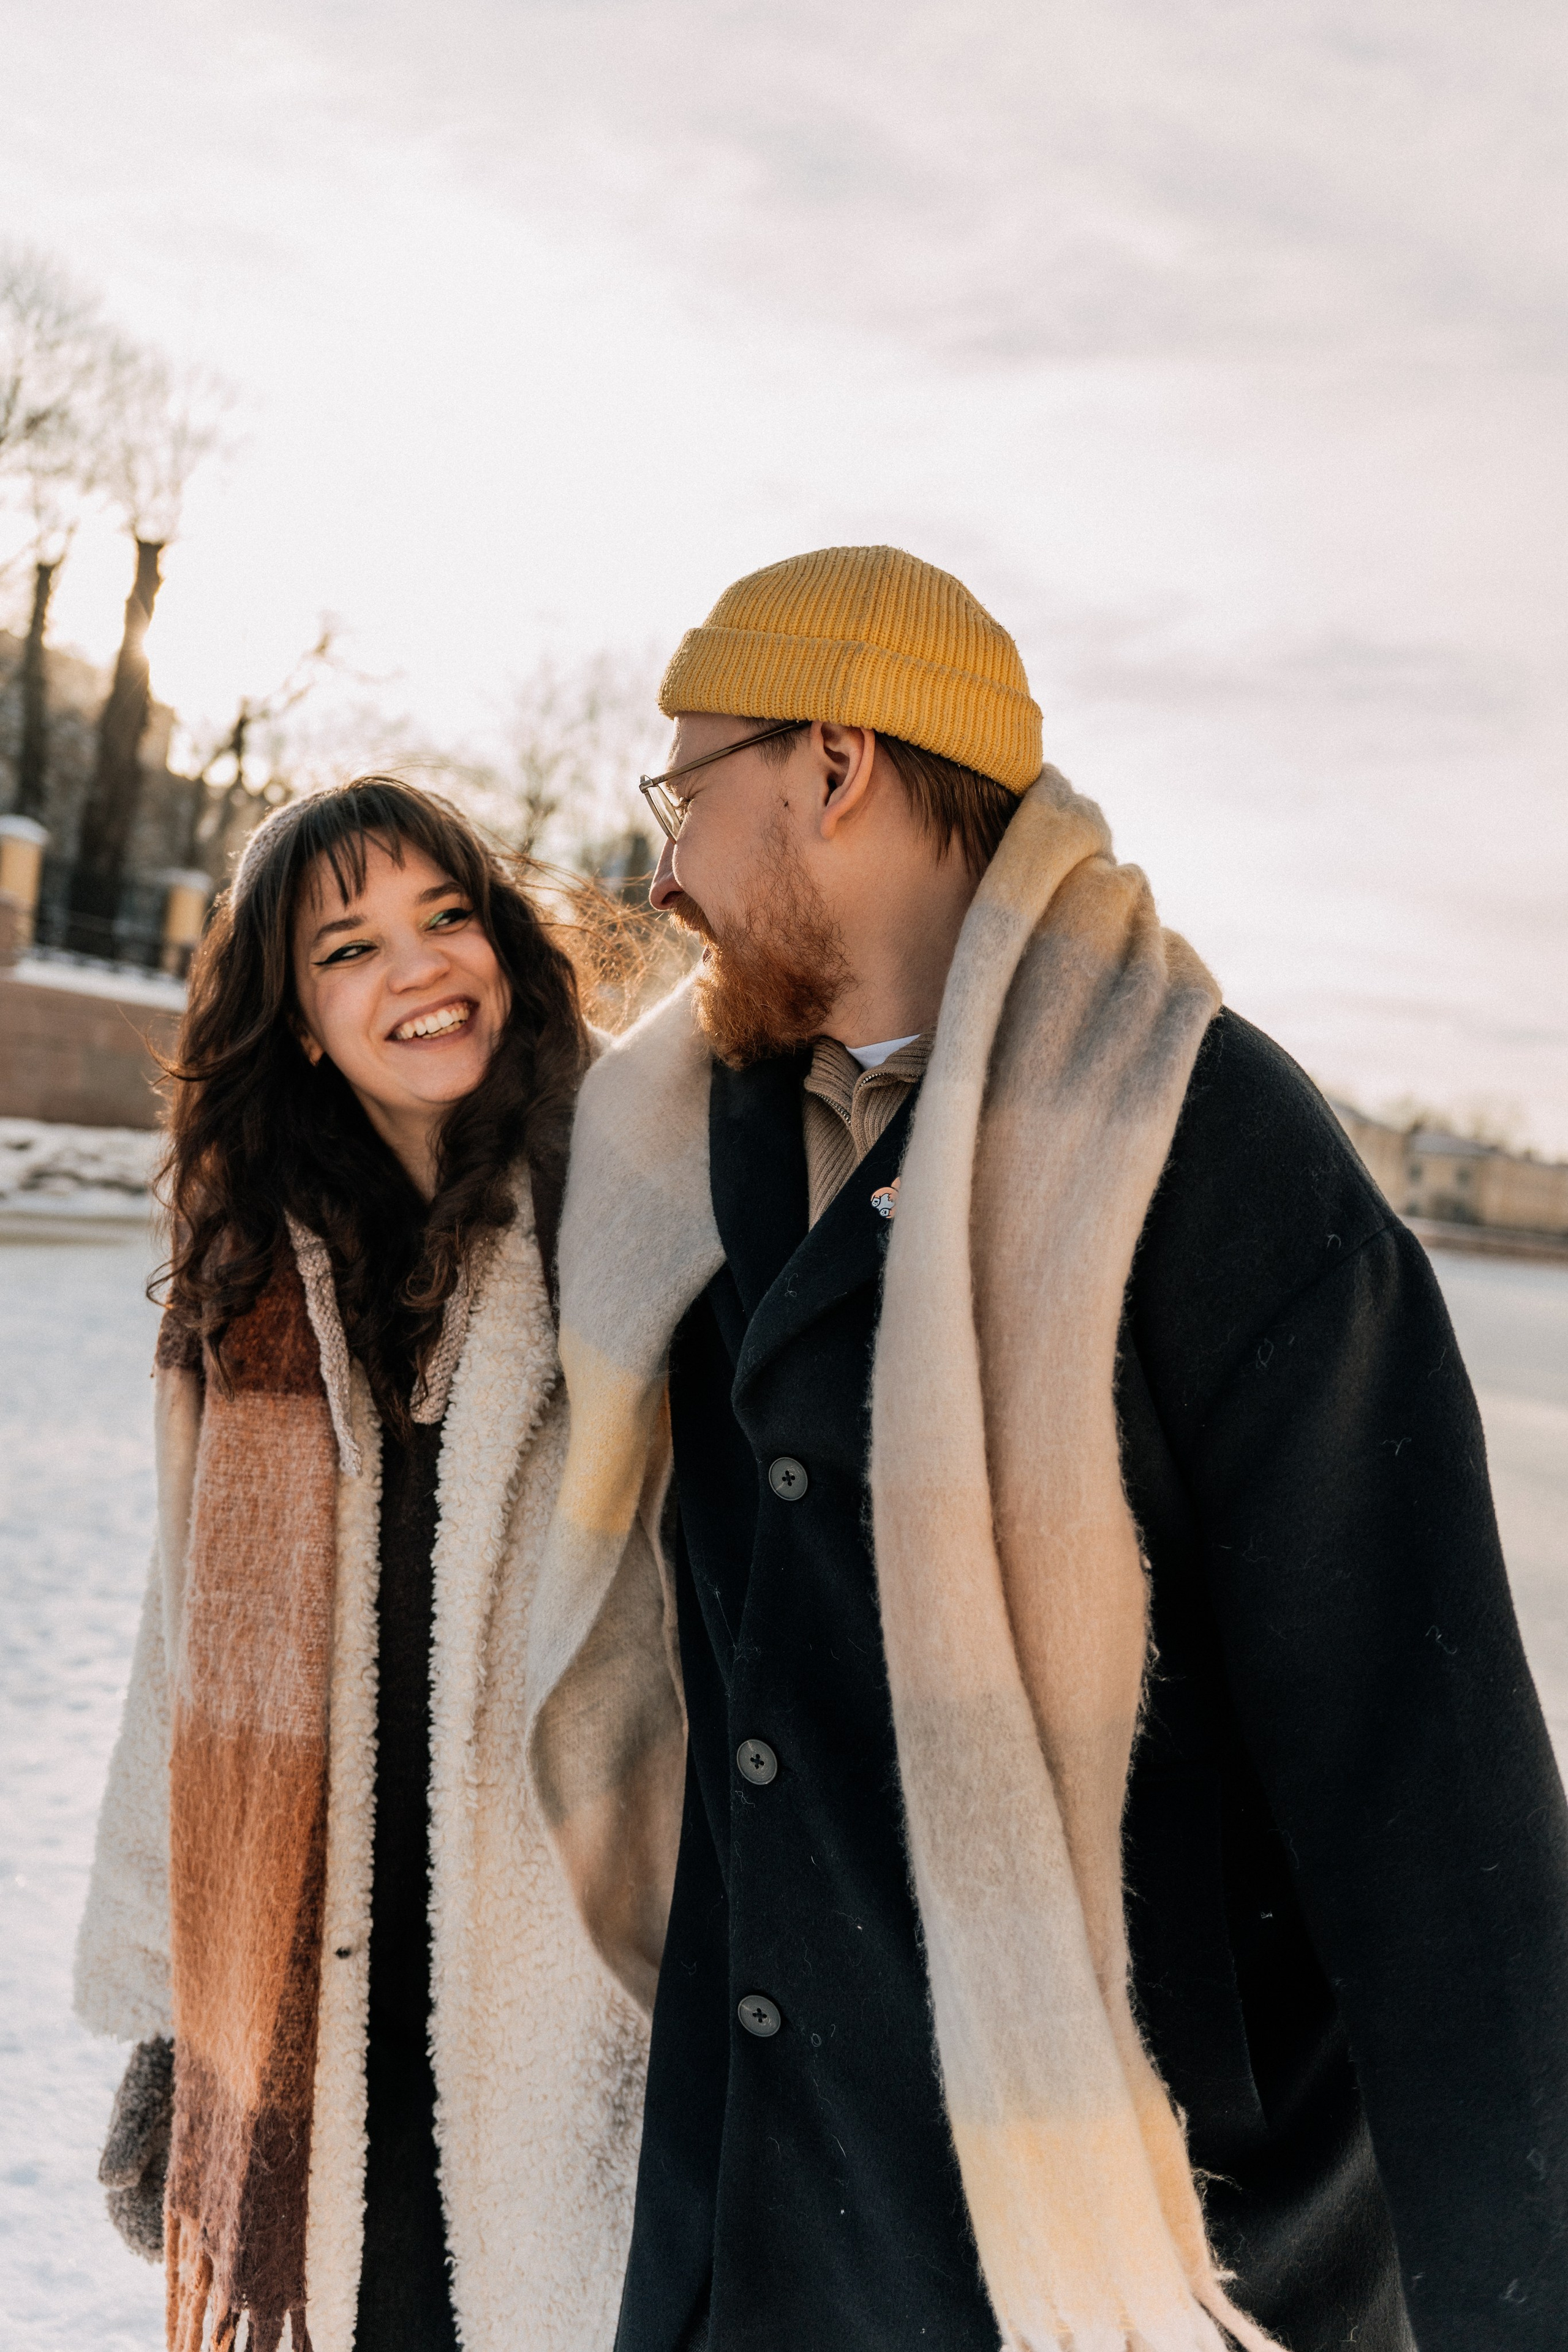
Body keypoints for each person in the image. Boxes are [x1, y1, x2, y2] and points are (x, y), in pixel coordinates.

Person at [526, 546, 1568, 2352]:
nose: (663, 867)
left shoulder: (1212, 1151)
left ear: (833, 769)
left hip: (1112, 2248)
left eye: (686, 793)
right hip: (760, 2213)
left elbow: (1434, 1802)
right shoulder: (690, 1135)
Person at [75, 777, 649, 2352]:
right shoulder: (250, 1267)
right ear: (295, 1013)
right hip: (322, 1976)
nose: (419, 967)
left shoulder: (633, 1207)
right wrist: (181, 2019)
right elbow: (182, 1650)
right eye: (351, 946)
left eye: (447, 915)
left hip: (571, 1984)